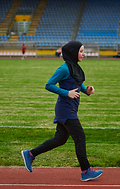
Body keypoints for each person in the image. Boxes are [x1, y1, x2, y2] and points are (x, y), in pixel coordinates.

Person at [21, 40, 103, 181]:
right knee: (80, 137)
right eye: (81, 51)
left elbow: (77, 84)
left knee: (60, 139)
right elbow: (49, 85)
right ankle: (85, 171)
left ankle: (30, 154)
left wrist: (87, 91)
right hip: (65, 110)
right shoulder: (64, 68)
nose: (84, 54)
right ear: (73, 53)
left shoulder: (74, 67)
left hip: (70, 108)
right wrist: (66, 93)